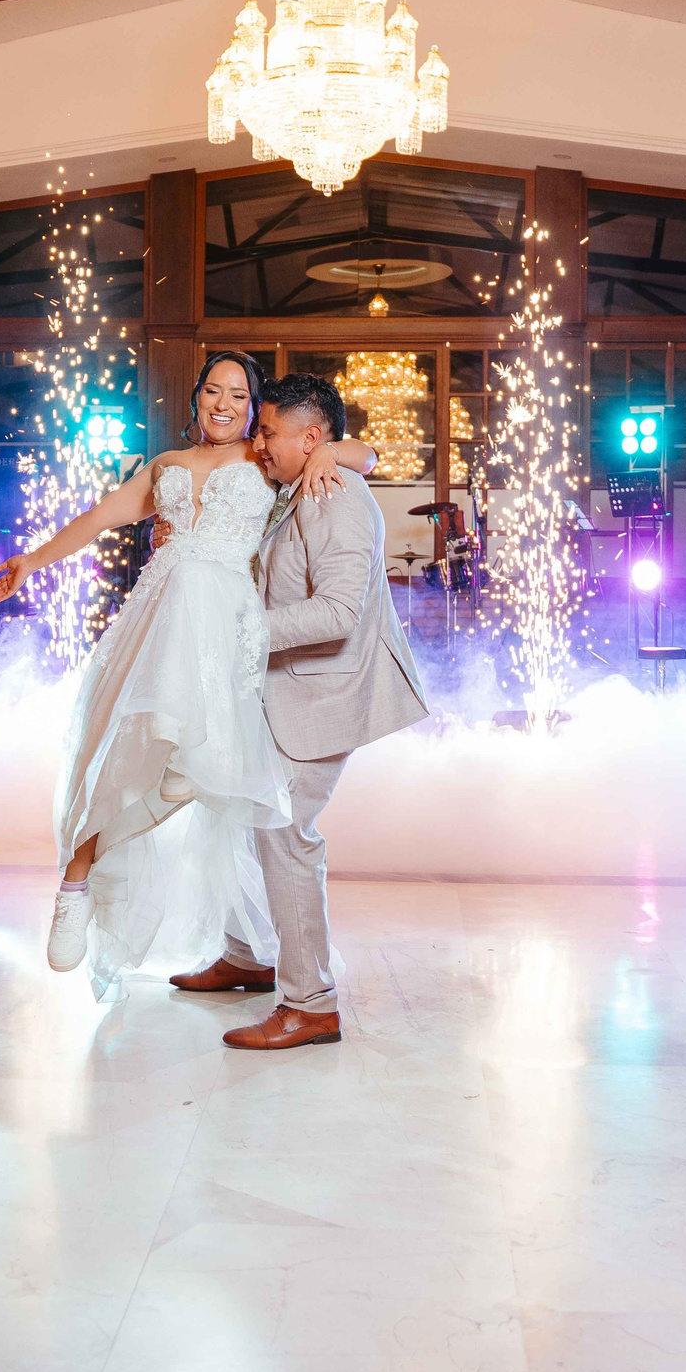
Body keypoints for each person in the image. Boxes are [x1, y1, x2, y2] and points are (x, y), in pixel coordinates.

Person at [0, 352, 377, 998]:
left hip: (225, 634)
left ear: (255, 408)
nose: (223, 403)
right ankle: (76, 878)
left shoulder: (267, 459)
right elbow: (98, 518)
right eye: (212, 391)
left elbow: (365, 456)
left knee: (198, 777)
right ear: (194, 397)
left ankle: (248, 952)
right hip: (158, 622)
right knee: (121, 752)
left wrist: (331, 450)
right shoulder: (164, 466)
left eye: (238, 394)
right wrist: (33, 560)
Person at [170, 372, 430, 1052]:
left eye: (269, 431)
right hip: (284, 689)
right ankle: (250, 954)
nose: (258, 442)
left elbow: (340, 612)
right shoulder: (303, 480)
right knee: (241, 813)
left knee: (286, 836)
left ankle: (310, 1003)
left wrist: (243, 628)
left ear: (311, 438)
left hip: (321, 692)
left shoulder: (335, 493)